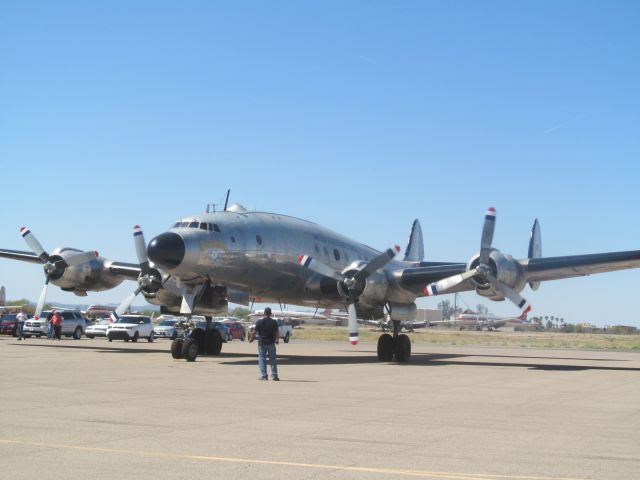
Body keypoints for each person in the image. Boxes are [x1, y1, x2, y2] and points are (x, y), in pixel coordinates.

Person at [249, 307, 279, 381]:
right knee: (273, 359)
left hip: (262, 343)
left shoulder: (259, 321)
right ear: (270, 313)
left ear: (264, 313)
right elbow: (277, 332)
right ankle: (274, 375)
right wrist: (277, 340)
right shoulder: (274, 322)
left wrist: (251, 339)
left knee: (262, 359)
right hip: (271, 343)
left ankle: (264, 376)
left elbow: (254, 332)